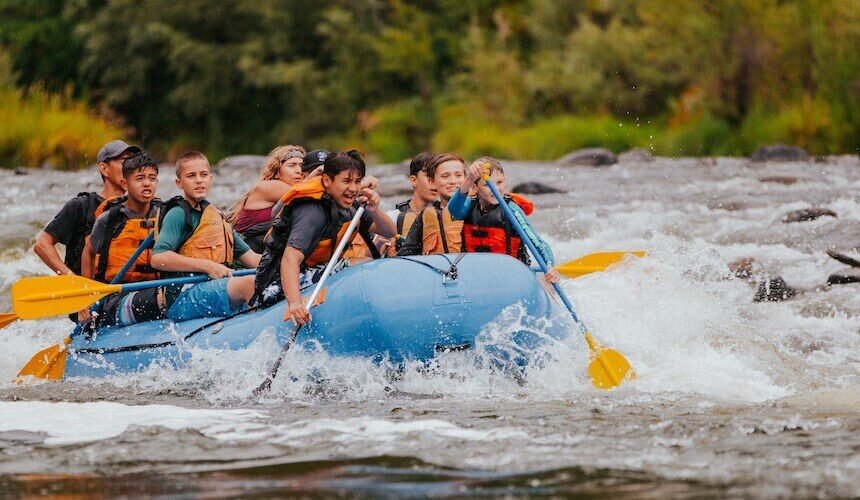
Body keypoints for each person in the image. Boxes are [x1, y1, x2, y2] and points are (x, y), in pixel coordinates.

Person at [96, 151, 261, 328]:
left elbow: (252, 259)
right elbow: (158, 258)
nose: (199, 180)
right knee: (247, 284)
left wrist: (287, 262)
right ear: (179, 183)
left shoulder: (217, 218)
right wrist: (208, 266)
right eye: (191, 176)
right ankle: (258, 332)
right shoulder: (178, 214)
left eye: (203, 175)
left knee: (264, 281)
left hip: (214, 287)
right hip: (183, 295)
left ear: (211, 179)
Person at [252, 150, 396, 325]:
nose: (353, 188)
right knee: (361, 264)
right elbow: (290, 259)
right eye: (346, 181)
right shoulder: (312, 211)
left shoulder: (350, 204)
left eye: (357, 181)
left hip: (318, 268)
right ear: (327, 181)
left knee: (369, 262)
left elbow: (389, 232)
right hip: (278, 283)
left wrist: (374, 209)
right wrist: (295, 303)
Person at [34, 140, 140, 279]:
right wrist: (71, 278)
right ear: (104, 168)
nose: (130, 168)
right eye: (123, 162)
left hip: (120, 290)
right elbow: (42, 244)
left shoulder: (139, 208)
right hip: (85, 289)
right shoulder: (81, 206)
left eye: (133, 162)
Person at [447, 157, 559, 284]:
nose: (496, 189)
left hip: (511, 276)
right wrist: (469, 178)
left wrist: (549, 266)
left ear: (505, 181)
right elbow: (454, 210)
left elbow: (538, 244)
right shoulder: (469, 205)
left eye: (499, 182)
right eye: (487, 184)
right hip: (476, 274)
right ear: (475, 187)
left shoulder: (512, 210)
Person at [227, 145, 306, 253]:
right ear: (277, 173)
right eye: (292, 165)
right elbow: (306, 193)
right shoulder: (267, 187)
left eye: (302, 166)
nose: (299, 171)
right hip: (241, 254)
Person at [397, 153, 466, 256]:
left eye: (458, 175)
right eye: (445, 176)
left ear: (466, 179)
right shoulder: (425, 215)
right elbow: (407, 252)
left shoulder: (477, 211)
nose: (453, 181)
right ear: (432, 182)